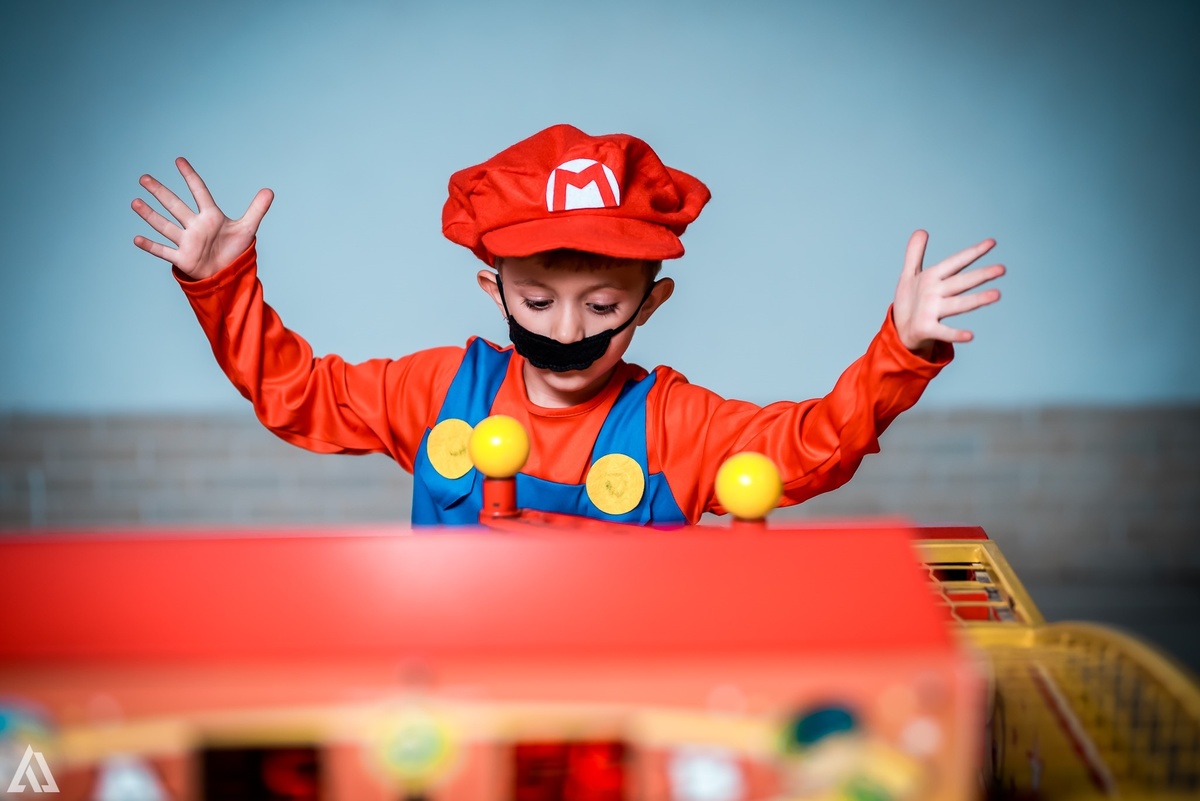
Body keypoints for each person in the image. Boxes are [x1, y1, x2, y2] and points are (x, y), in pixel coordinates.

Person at [131, 124, 1004, 526]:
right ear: (493, 290)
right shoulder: (439, 391)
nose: (566, 330)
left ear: (650, 304)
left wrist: (903, 350)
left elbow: (810, 447)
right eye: (538, 302)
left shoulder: (677, 425)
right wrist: (222, 286)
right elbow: (301, 397)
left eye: (603, 305)